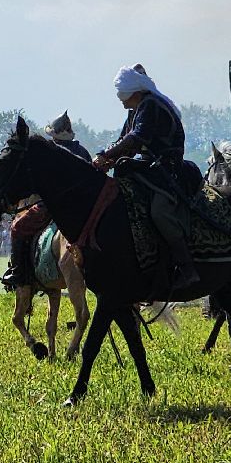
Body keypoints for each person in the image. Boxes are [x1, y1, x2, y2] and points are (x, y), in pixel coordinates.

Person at [92, 66, 199, 295]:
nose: (120, 100)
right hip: (146, 169)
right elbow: (125, 141)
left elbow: (137, 138)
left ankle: (187, 267)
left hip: (166, 170)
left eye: (123, 94)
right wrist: (108, 158)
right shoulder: (136, 110)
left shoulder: (151, 105)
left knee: (160, 212)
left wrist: (107, 155)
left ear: (134, 91)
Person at [0, 112, 88, 290]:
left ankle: (18, 272)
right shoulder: (83, 152)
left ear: (54, 134)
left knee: (18, 227)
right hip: (84, 207)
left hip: (52, 206)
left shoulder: (50, 152)